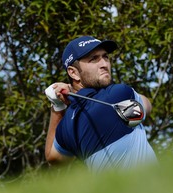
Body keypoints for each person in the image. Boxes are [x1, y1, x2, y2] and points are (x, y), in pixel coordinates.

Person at [45, 35, 157, 173]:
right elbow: (147, 105)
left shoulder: (67, 126)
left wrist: (57, 106)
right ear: (73, 73)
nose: (104, 64)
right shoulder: (119, 94)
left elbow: (53, 158)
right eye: (94, 59)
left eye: (105, 57)